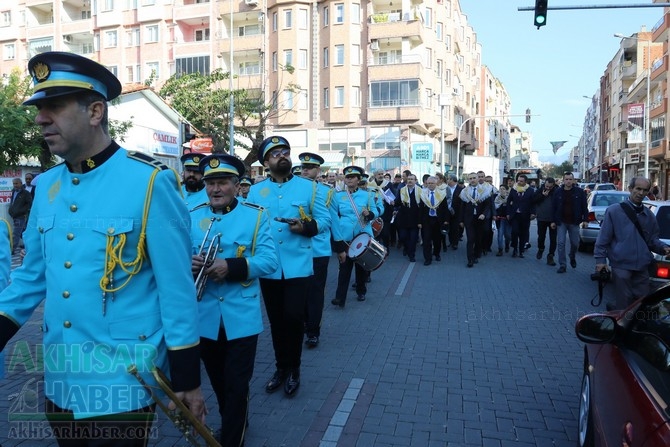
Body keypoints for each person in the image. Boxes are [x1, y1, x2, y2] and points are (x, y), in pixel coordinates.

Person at [0, 51, 205, 445]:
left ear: (95, 112)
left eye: (54, 107)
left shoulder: (150, 183)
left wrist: (187, 379)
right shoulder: (47, 185)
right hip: (62, 377)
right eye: (39, 109)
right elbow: (30, 278)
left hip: (125, 380)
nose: (41, 118)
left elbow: (176, 290)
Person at [190, 154, 278, 446]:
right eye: (210, 183)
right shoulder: (192, 216)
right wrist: (187, 263)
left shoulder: (256, 215)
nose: (215, 189)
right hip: (205, 317)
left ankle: (231, 439)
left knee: (237, 385)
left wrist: (233, 266)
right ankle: (237, 421)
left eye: (222, 183)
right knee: (219, 382)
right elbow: (174, 259)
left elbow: (269, 261)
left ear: (237, 185)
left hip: (241, 317)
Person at [246, 136, 330, 397]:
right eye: (274, 154)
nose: (281, 156)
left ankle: (294, 369)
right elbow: (251, 226)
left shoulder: (309, 188)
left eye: (285, 151)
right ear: (265, 162)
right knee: (277, 322)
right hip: (269, 268)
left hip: (298, 267)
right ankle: (280, 368)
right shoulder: (255, 191)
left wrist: (305, 228)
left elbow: (324, 219)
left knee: (294, 318)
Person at [595, 177, 670, 310]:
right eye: (638, 189)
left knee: (641, 305)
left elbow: (652, 240)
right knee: (624, 303)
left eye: (645, 190)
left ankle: (635, 328)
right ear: (630, 189)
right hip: (621, 265)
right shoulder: (614, 211)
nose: (641, 193)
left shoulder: (649, 215)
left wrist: (664, 248)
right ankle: (620, 327)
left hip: (642, 267)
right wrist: (600, 261)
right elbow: (603, 239)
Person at [298, 152, 335, 347]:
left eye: (310, 168)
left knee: (315, 292)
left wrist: (341, 247)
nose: (305, 170)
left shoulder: (328, 192)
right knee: (298, 292)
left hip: (318, 249)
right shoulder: (293, 190)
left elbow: (333, 221)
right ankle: (304, 323)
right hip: (296, 249)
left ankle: (313, 330)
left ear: (318, 170)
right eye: (303, 167)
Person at [331, 166, 381, 306]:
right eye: (347, 177)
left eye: (353, 177)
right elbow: (334, 216)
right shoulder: (337, 196)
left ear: (359, 179)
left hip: (363, 234)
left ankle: (361, 291)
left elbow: (376, 211)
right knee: (344, 268)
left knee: (361, 267)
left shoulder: (368, 195)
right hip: (345, 236)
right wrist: (337, 240)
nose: (349, 179)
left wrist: (370, 214)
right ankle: (340, 297)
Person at [552, 172, 588, 273]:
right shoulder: (558, 192)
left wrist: (585, 219)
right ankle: (562, 264)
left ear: (573, 180)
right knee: (561, 243)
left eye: (570, 179)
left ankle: (572, 256)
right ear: (563, 180)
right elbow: (553, 207)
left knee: (575, 243)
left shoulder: (579, 192)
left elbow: (584, 207)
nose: (568, 181)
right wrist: (553, 221)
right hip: (561, 222)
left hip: (574, 222)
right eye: (566, 179)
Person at [459, 173, 491, 267]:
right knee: (470, 239)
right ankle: (470, 259)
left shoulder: (484, 190)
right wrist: (461, 220)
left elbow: (487, 205)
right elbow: (462, 207)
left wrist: (483, 214)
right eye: (470, 178)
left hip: (480, 219)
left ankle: (477, 254)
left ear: (478, 179)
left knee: (478, 239)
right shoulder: (464, 192)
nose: (472, 180)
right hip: (469, 219)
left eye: (474, 178)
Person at [418, 176, 449, 265]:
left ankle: (436, 253)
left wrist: (446, 220)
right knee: (426, 239)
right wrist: (419, 222)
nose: (430, 185)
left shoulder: (441, 194)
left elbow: (445, 208)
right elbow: (420, 209)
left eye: (432, 183)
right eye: (429, 183)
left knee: (437, 240)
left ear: (436, 184)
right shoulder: (423, 194)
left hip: (438, 220)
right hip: (426, 220)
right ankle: (428, 258)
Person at [506, 174, 535, 258]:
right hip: (515, 215)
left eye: (521, 181)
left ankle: (521, 250)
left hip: (525, 215)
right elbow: (508, 202)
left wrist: (533, 213)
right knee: (514, 232)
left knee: (523, 233)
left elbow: (533, 203)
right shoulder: (514, 189)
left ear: (525, 182)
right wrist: (508, 213)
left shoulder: (530, 190)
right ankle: (515, 248)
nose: (519, 182)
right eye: (518, 180)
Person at [394, 173, 422, 262]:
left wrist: (421, 220)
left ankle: (412, 255)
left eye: (412, 179)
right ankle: (406, 248)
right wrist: (393, 203)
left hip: (415, 219)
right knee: (402, 237)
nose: (409, 180)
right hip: (403, 219)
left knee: (413, 239)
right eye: (408, 179)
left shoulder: (420, 191)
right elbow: (397, 202)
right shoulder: (402, 190)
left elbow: (422, 206)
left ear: (415, 181)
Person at [533, 177, 557, 266]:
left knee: (553, 239)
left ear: (553, 185)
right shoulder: (540, 190)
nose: (548, 188)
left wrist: (555, 219)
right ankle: (541, 248)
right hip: (541, 218)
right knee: (541, 237)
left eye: (550, 187)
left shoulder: (556, 192)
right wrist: (542, 195)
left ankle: (551, 256)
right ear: (545, 184)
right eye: (547, 186)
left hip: (552, 220)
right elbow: (533, 200)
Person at [8, 177, 32, 253]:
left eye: (16, 183)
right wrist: (11, 211)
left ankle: (11, 250)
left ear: (21, 183)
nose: (15, 185)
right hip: (14, 215)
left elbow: (29, 204)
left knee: (16, 233)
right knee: (23, 231)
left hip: (20, 216)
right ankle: (29, 246)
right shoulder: (13, 191)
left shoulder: (26, 193)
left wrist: (21, 211)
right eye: (14, 184)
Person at [446, 174, 464, 250]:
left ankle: (455, 243)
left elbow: (462, 203)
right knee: (449, 228)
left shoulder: (460, 189)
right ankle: (451, 241)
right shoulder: (446, 189)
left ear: (452, 180)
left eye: (448, 179)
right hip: (447, 212)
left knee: (455, 228)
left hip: (457, 212)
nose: (447, 180)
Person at [493, 184, 511, 256]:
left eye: (503, 189)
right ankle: (500, 249)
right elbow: (495, 207)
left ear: (506, 190)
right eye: (500, 189)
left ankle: (507, 244)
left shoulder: (510, 198)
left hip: (508, 219)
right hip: (500, 219)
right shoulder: (497, 198)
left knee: (508, 235)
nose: (502, 190)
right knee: (500, 234)